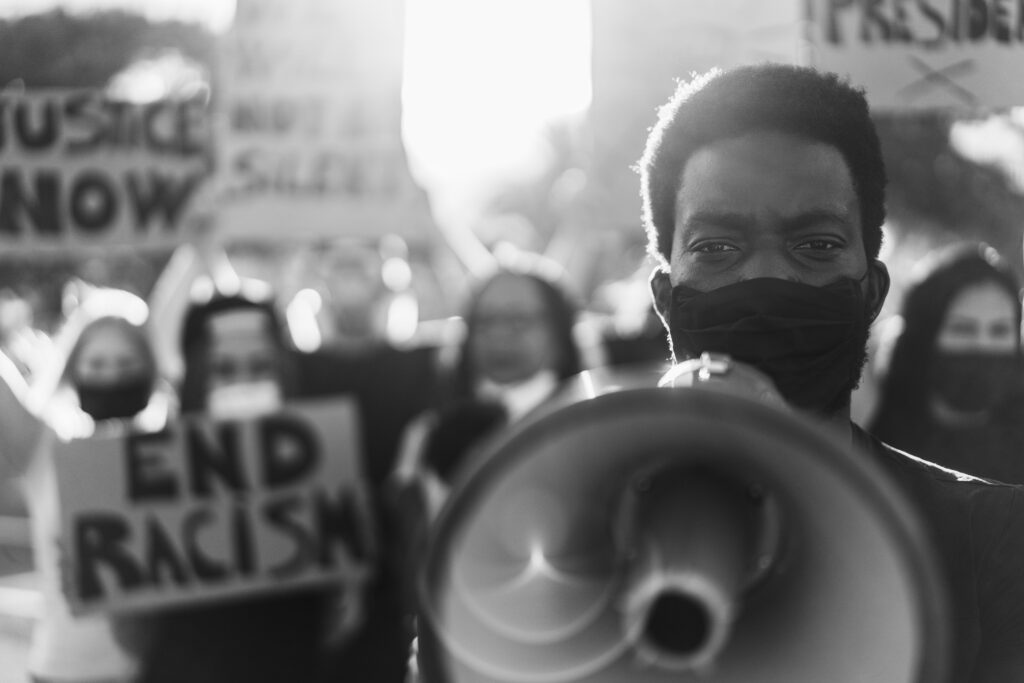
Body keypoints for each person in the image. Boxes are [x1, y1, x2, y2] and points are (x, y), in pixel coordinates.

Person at [637, 63, 1024, 682]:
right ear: (665, 299)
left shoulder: (998, 541)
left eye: (815, 246)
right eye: (716, 248)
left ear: (871, 292)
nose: (768, 279)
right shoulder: (582, 531)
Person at [129, 285, 366, 683]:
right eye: (223, 371)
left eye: (260, 368)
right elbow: (135, 638)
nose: (243, 384)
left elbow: (338, 629)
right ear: (196, 381)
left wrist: (352, 587)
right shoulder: (150, 476)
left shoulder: (331, 473)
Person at [0, 295, 169, 683]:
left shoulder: (184, 454)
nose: (111, 377)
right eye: (97, 364)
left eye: (127, 364)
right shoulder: (45, 449)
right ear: (74, 369)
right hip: (63, 673)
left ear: (150, 368)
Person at [869, 242, 1024, 481]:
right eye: (963, 329)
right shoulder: (876, 410)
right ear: (926, 336)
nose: (983, 345)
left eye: (1000, 330)